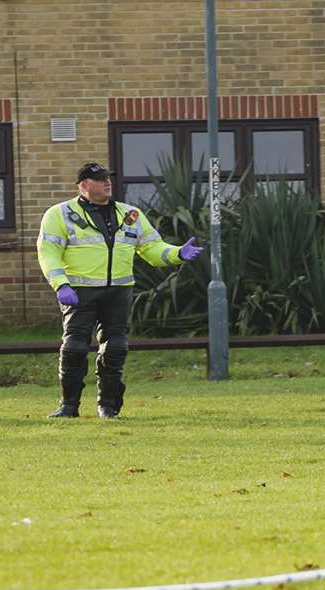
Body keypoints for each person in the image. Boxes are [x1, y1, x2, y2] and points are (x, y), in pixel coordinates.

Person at [36, 162, 203, 418]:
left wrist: (178, 253)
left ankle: (109, 406)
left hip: (118, 292)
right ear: (83, 186)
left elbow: (152, 248)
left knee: (115, 348)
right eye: (100, 179)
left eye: (107, 178)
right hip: (79, 291)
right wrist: (61, 284)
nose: (107, 183)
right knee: (74, 348)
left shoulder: (130, 214)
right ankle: (68, 407)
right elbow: (48, 253)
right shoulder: (59, 214)